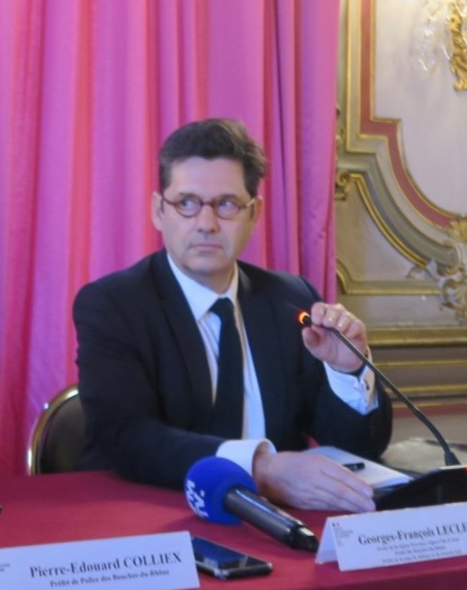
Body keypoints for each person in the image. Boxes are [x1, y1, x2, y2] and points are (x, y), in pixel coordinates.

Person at [74, 118, 391, 513]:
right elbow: (125, 436)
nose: (206, 223)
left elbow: (358, 449)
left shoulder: (290, 299)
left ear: (254, 213)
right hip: (155, 519)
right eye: (186, 203)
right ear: (159, 211)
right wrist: (261, 467)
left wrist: (347, 372)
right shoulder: (113, 304)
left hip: (282, 523)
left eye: (226, 204)